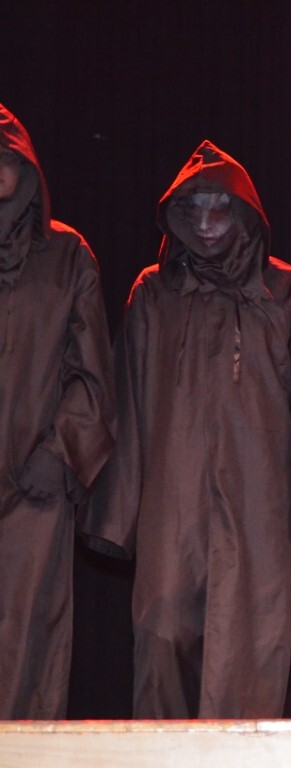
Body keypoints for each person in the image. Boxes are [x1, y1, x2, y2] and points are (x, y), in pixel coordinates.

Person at [83, 140, 291, 719]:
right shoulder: (154, 293)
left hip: (257, 499)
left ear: (244, 214)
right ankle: (165, 758)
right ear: (178, 216)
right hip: (170, 500)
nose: (208, 223)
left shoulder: (283, 292)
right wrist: (117, 515)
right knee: (163, 630)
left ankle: (242, 758)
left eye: (220, 208)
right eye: (195, 209)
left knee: (250, 641)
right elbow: (126, 404)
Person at [0, 104, 116, 719]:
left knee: (28, 632)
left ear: (27, 167)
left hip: (32, 480)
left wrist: (60, 451)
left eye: (5, 157)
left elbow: (91, 368)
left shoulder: (67, 255)